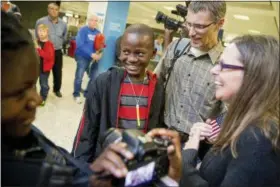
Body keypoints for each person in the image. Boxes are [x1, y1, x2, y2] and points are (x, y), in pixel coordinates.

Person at [1, 10, 135, 187]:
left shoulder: (20, 129)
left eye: (33, 85)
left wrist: (92, 173)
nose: (35, 99)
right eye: (19, 93)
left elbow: (61, 159)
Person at [153, 35, 280, 187]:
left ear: (254, 75)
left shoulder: (259, 137)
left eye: (224, 66)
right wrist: (197, 142)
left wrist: (187, 157)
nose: (213, 70)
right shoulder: (241, 121)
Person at [72, 23, 166, 163]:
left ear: (153, 54)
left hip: (138, 161)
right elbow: (88, 128)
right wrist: (81, 166)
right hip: (106, 159)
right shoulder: (104, 83)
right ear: (120, 51)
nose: (132, 59)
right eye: (126, 52)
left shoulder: (157, 87)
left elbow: (157, 128)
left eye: (140, 53)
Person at [154, 1, 227, 141]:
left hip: (198, 148)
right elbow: (155, 83)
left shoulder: (226, 65)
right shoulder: (176, 48)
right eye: (189, 24)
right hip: (164, 137)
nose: (191, 33)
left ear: (220, 23)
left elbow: (229, 115)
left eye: (199, 26)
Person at [35, 1, 67, 98]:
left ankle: (56, 89)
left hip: (57, 51)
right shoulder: (41, 21)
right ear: (48, 10)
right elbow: (36, 35)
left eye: (56, 9)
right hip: (43, 51)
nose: (54, 11)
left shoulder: (63, 24)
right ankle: (43, 91)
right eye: (51, 9)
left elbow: (64, 37)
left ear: (58, 11)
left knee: (58, 72)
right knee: (43, 72)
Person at [73, 15, 102, 103]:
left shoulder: (98, 32)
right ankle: (76, 94)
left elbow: (101, 45)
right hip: (82, 56)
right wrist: (91, 54)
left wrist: (99, 53)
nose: (94, 22)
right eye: (92, 20)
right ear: (88, 21)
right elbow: (79, 44)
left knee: (94, 76)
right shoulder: (83, 30)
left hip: (93, 58)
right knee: (79, 76)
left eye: (96, 21)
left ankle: (87, 93)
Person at [36, 24, 55, 106]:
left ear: (47, 33)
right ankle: (35, 96)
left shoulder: (49, 44)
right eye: (40, 31)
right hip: (36, 67)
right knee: (34, 83)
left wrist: (39, 50)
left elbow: (48, 56)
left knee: (43, 84)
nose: (41, 33)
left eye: (43, 31)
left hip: (44, 69)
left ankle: (43, 97)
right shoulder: (36, 42)